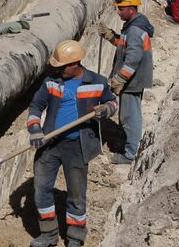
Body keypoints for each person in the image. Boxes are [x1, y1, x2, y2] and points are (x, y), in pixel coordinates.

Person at [26, 40, 117, 247]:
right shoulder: (51, 81)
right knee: (41, 189)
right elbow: (36, 106)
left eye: (61, 66)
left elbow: (112, 102)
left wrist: (106, 110)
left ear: (75, 64)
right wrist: (35, 129)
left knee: (76, 195)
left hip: (77, 146)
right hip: (49, 143)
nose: (57, 70)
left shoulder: (97, 82)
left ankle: (75, 238)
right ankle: (48, 234)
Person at [97, 0, 154, 165]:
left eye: (121, 9)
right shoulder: (133, 25)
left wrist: (120, 79)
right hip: (133, 79)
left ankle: (130, 154)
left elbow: (132, 60)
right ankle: (131, 145)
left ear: (131, 9)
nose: (119, 12)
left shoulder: (135, 30)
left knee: (129, 117)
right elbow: (124, 45)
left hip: (133, 81)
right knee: (129, 115)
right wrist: (110, 36)